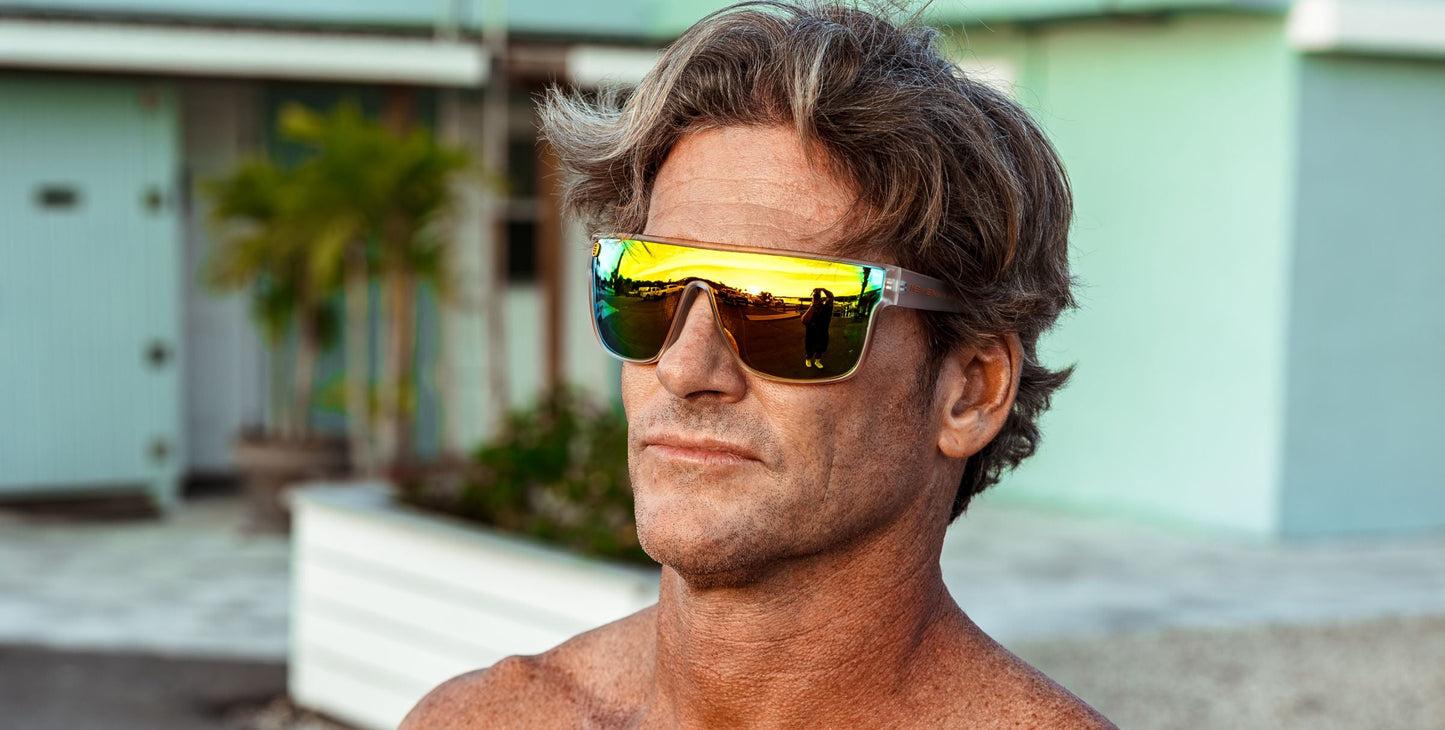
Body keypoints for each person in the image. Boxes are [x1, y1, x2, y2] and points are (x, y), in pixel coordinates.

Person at [402, 1, 1115, 727]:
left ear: (969, 390)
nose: (685, 366)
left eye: (786, 306)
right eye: (645, 287)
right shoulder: (483, 717)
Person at [801, 287, 833, 369]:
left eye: (818, 298)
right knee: (809, 350)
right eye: (815, 298)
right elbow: (804, 320)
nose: (817, 300)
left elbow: (831, 297)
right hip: (811, 334)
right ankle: (808, 359)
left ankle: (817, 361)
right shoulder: (811, 309)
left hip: (823, 333)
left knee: (820, 350)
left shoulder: (827, 308)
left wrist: (823, 289)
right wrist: (813, 305)